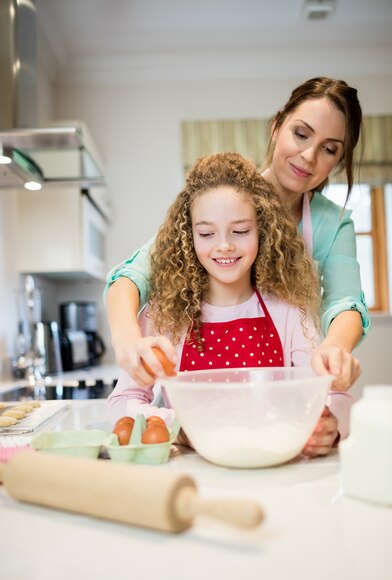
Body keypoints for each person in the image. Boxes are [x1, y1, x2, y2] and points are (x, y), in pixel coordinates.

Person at [105, 76, 370, 391]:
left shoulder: (333, 224)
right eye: (300, 134)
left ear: (339, 160)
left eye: (329, 149)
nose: (309, 156)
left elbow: (346, 303)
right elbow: (131, 277)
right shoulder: (228, 198)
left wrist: (334, 347)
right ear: (276, 127)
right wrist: (127, 340)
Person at [108, 152, 353, 457]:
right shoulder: (165, 315)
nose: (224, 245)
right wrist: (173, 426)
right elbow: (124, 399)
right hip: (194, 474)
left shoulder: (289, 312)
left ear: (262, 230)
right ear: (189, 236)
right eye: (207, 233)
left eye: (240, 231)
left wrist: (331, 426)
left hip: (272, 466)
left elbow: (334, 392)